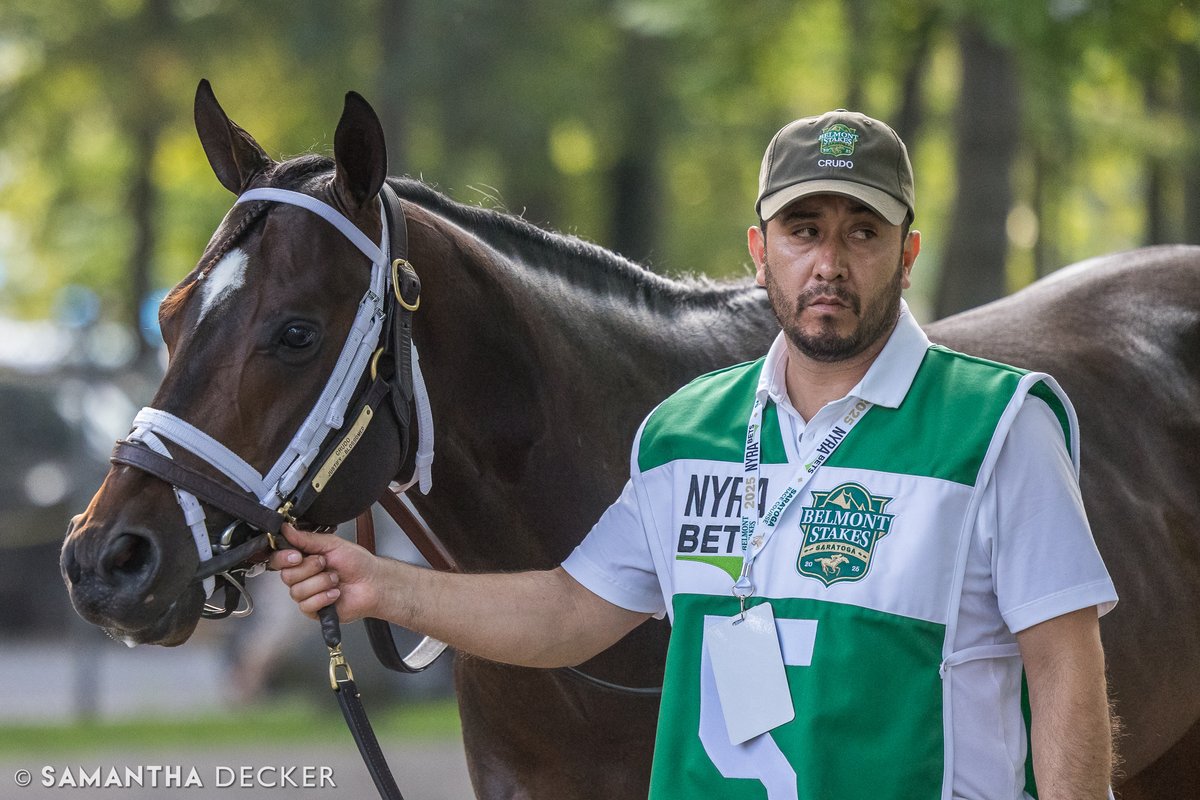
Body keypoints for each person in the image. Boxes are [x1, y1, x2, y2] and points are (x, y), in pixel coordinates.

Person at [271, 109, 1117, 800]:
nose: (829, 261)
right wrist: (378, 585)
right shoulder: (684, 433)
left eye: (863, 231)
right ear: (760, 255)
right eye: (803, 229)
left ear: (907, 252)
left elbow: (1066, 671)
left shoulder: (1001, 428)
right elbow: (569, 614)